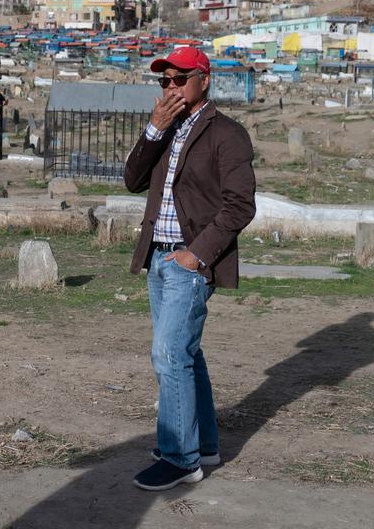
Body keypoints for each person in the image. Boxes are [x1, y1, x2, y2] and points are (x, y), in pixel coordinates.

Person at [123, 45, 256, 491]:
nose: (171, 87)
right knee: (186, 354)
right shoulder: (168, 128)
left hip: (189, 260)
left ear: (204, 80)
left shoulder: (227, 134)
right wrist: (153, 130)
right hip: (159, 255)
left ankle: (181, 458)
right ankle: (206, 446)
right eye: (165, 81)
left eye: (180, 79)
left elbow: (240, 206)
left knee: (168, 355)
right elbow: (131, 180)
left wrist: (197, 255)